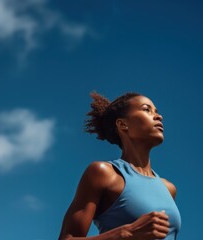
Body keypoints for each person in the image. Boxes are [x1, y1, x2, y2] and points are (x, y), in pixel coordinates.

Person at [58, 92, 181, 240]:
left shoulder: (169, 188)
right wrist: (126, 233)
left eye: (156, 111)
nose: (158, 116)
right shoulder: (103, 173)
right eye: (147, 109)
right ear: (123, 124)